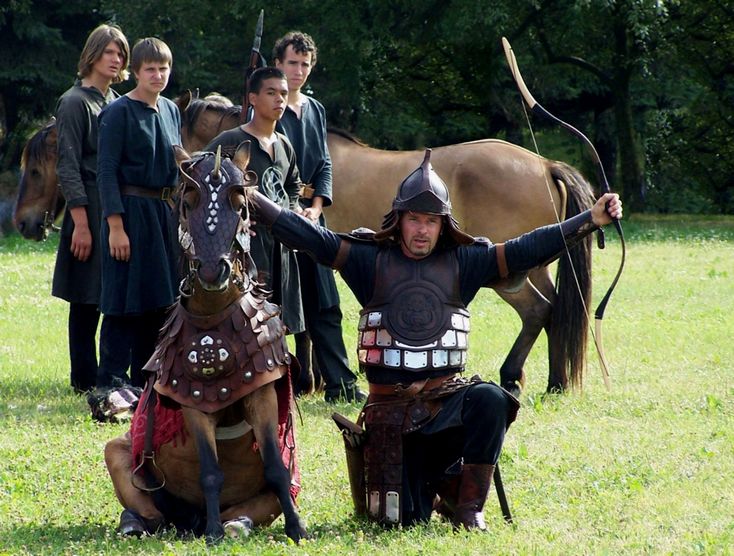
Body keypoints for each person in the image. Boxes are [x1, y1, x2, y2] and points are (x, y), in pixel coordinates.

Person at [247, 150, 623, 529]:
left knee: (491, 399)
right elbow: (309, 236)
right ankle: (438, 488)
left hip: (445, 411)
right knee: (403, 520)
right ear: (399, 220)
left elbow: (527, 248)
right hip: (389, 418)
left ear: (444, 225)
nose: (422, 230)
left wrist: (590, 219)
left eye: (431, 221)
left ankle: (469, 509)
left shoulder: (465, 261)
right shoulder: (367, 259)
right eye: (414, 219)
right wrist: (250, 197)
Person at [273, 31, 365, 403]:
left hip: (313, 220)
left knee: (326, 303)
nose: (298, 71)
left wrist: (316, 206)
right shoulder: (265, 109)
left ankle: (340, 384)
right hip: (277, 221)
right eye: (292, 63)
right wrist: (288, 208)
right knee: (278, 306)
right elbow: (263, 167)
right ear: (277, 64)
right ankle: (275, 385)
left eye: (305, 64)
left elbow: (324, 163)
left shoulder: (315, 109)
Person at [96, 38, 181, 391]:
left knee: (159, 298)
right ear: (136, 72)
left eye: (163, 68)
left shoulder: (172, 110)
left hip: (163, 214)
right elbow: (106, 172)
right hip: (129, 213)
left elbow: (179, 163)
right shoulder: (118, 112)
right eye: (150, 69)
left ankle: (147, 382)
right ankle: (111, 382)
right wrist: (116, 226)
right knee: (124, 298)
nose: (158, 75)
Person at [51, 24, 129, 394]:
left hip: (115, 203)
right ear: (93, 54)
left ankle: (111, 373)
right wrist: (80, 223)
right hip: (88, 206)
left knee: (113, 292)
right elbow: (67, 166)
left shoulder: (116, 101)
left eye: (121, 54)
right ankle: (83, 377)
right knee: (85, 296)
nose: (116, 59)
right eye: (110, 52)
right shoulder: (74, 102)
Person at [203, 67, 305, 337]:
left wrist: (291, 211)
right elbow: (200, 177)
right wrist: (232, 220)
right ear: (253, 98)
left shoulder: (284, 145)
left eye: (283, 93)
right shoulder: (230, 141)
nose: (279, 99)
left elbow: (293, 184)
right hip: (246, 248)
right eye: (271, 93)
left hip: (281, 247)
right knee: (247, 325)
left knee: (280, 325)